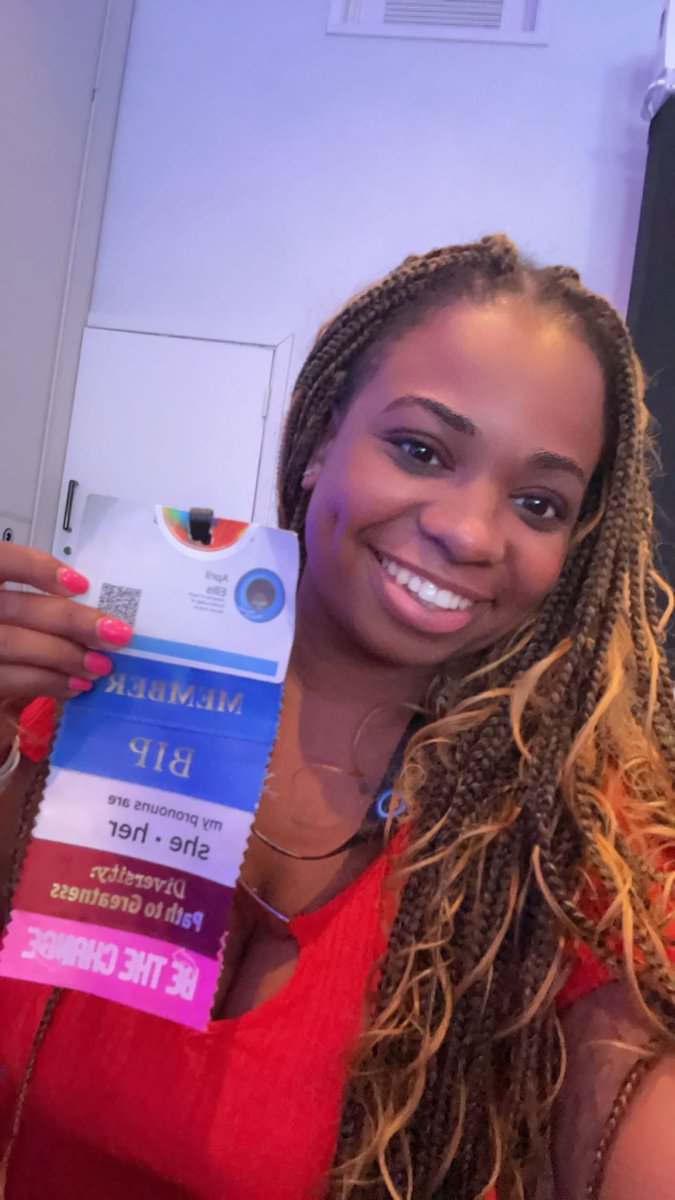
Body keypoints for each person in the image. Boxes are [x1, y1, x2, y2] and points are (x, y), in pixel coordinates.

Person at [0, 234, 673, 1200]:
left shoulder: (568, 858)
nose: (469, 531)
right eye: (420, 449)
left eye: (537, 502)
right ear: (319, 440)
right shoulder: (97, 694)